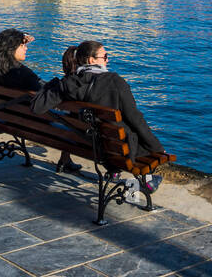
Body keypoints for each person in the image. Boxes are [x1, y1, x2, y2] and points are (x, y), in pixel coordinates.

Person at [31, 40, 165, 193]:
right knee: (133, 132)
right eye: (105, 56)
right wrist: (157, 148)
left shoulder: (69, 82)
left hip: (83, 143)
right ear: (91, 60)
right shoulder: (114, 81)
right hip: (116, 149)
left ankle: (114, 171)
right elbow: (135, 118)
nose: (108, 60)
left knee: (113, 133)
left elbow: (37, 107)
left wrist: (54, 83)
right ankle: (146, 181)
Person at [0, 28, 82, 173]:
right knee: (74, 113)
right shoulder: (22, 73)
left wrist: (20, 37)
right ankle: (65, 159)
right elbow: (46, 94)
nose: (26, 48)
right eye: (22, 45)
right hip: (34, 122)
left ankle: (66, 159)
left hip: (10, 117)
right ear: (11, 48)